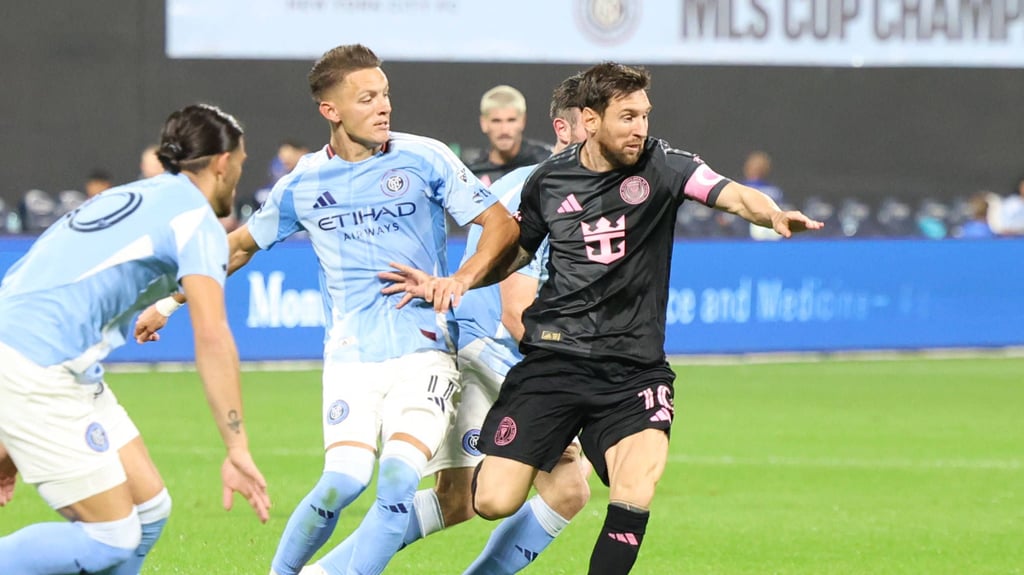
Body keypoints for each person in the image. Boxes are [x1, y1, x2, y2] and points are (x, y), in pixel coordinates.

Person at [382, 61, 823, 574]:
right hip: (553, 363)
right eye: (627, 117)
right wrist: (458, 282)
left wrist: (769, 213)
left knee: (636, 487)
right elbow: (515, 255)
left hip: (633, 370)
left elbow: (729, 192)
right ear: (590, 121)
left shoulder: (666, 166)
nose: (640, 128)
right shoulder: (549, 181)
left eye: (644, 116)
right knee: (491, 501)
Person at [135, 44, 519, 575]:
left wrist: (460, 279)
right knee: (342, 480)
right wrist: (171, 301)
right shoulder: (303, 183)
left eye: (385, 94)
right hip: (349, 357)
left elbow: (501, 224)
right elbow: (241, 245)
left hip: (425, 355)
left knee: (398, 481)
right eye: (367, 98)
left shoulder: (424, 157)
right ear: (331, 110)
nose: (384, 107)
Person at [305, 74, 593, 575]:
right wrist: (562, 392)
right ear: (564, 132)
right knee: (568, 487)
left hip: (472, 344)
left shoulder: (568, 188)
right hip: (497, 349)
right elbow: (514, 310)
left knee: (455, 499)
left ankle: (322, 573)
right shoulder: (540, 188)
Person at [0, 104, 272, 575]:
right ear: (223, 163)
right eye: (242, 162)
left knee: (149, 513)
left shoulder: (139, 195)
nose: (238, 174)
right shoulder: (198, 221)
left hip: (46, 358)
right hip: (37, 366)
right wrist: (237, 447)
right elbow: (212, 336)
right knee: (111, 538)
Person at [465, 85, 552, 186]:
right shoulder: (472, 173)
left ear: (522, 121)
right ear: (484, 123)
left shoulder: (545, 163)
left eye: (511, 120)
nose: (504, 130)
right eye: (496, 121)